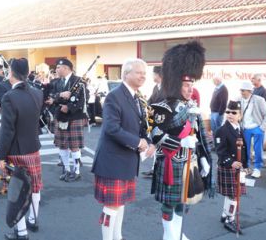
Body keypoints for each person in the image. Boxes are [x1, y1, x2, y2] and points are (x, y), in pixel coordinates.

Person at [150, 41, 214, 240]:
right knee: (169, 203)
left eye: (191, 84)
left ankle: (176, 233)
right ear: (177, 84)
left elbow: (200, 135)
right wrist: (179, 142)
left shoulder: (192, 105)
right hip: (171, 161)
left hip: (190, 161)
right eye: (186, 85)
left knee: (182, 203)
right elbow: (156, 135)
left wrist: (204, 157)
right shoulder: (163, 105)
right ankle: (169, 236)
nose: (190, 89)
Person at [92, 59, 155, 240]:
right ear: (126, 74)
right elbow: (112, 128)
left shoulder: (138, 97)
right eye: (139, 72)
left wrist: (148, 142)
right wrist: (138, 142)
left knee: (120, 204)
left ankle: (117, 237)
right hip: (113, 160)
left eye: (145, 72)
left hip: (126, 159)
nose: (143, 76)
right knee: (111, 206)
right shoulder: (114, 96)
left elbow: (143, 126)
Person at [0, 58, 43, 240]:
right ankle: (33, 220)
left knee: (18, 190)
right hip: (33, 148)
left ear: (11, 74)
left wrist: (1, 156)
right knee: (35, 187)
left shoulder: (9, 97)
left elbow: (7, 131)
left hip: (16, 150)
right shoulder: (37, 93)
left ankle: (22, 232)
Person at [50, 58, 88, 182]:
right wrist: (60, 96)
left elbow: (83, 100)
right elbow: (51, 97)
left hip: (74, 117)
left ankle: (76, 171)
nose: (56, 70)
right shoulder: (56, 82)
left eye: (58, 68)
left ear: (66, 68)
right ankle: (66, 169)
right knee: (62, 146)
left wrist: (69, 107)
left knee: (74, 146)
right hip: (60, 116)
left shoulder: (79, 82)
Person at [215, 100, 247, 234]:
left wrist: (246, 165)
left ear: (240, 115)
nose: (230, 115)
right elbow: (220, 150)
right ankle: (230, 219)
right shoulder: (222, 130)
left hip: (239, 167)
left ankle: (224, 214)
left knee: (232, 194)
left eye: (234, 113)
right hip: (228, 166)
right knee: (233, 195)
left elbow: (243, 148)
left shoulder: (239, 128)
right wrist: (231, 162)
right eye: (228, 112)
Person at [239, 82, 266, 178]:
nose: (241, 92)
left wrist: (262, 128)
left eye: (243, 91)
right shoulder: (239, 99)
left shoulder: (259, 100)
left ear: (249, 91)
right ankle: (247, 167)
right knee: (246, 149)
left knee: (258, 149)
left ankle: (257, 169)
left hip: (257, 127)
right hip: (245, 128)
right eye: (241, 90)